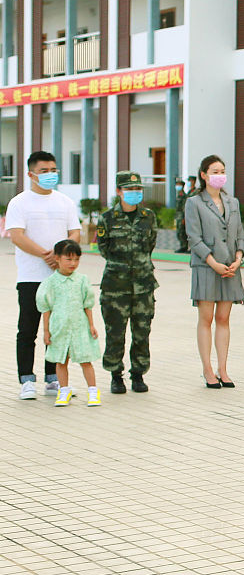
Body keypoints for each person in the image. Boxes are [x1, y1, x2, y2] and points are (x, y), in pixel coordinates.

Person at [7, 151, 80, 400]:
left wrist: (62, 258)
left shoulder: (65, 202)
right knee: (28, 329)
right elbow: (16, 235)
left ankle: (53, 379)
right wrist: (46, 255)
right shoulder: (19, 202)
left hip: (59, 278)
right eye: (44, 171)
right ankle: (26, 380)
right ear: (31, 174)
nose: (50, 175)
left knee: (57, 330)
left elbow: (75, 232)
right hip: (30, 277)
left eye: (53, 170)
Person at [185, 155, 244, 389]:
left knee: (223, 319)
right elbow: (194, 238)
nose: (219, 175)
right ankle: (207, 370)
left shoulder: (233, 203)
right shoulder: (194, 202)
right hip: (206, 267)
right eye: (214, 171)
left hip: (231, 267)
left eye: (222, 171)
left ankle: (223, 369)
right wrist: (213, 263)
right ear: (203, 175)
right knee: (206, 318)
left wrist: (238, 259)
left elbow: (240, 234)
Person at [96, 171, 158, 395]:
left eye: (138, 189)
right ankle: (116, 375)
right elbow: (103, 248)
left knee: (142, 331)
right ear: (119, 191)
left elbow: (150, 244)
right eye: (130, 189)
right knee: (115, 333)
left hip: (143, 285)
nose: (134, 193)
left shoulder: (148, 216)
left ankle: (138, 374)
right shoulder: (107, 218)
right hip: (115, 287)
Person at [36, 240, 101, 407]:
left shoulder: (82, 280)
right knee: (61, 360)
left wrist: (91, 325)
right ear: (57, 258)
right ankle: (63, 390)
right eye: (69, 259)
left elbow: (88, 304)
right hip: (60, 327)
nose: (73, 264)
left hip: (80, 326)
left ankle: (93, 391)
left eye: (77, 259)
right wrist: (46, 331)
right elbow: (46, 308)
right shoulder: (50, 283)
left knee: (85, 360)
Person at [175, 176, 197, 253]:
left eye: (190, 181)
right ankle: (184, 247)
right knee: (182, 232)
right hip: (183, 215)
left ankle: (192, 248)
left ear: (194, 181)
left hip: (191, 215)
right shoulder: (189, 192)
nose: (189, 182)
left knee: (191, 232)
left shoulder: (195, 192)